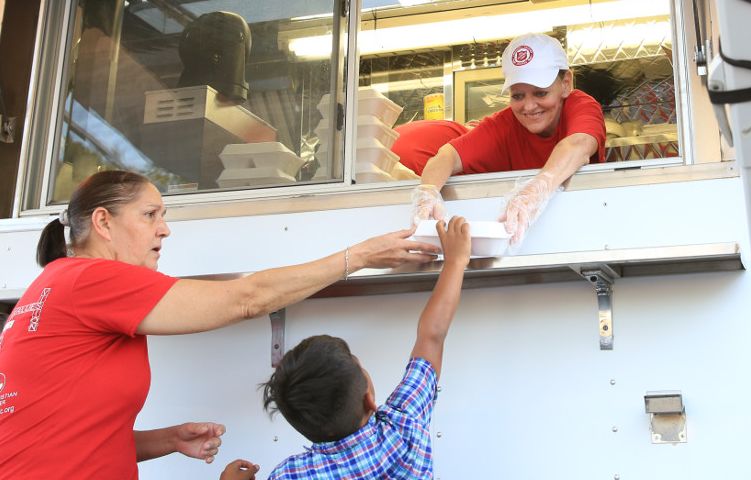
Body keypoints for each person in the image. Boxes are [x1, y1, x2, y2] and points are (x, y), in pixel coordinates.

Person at [0, 170, 440, 480]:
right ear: (103, 222)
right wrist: (357, 257)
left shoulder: (56, 286)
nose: (165, 229)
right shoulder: (91, 279)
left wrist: (167, 439)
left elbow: (64, 434)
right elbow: (245, 299)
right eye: (150, 215)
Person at [262, 216, 471, 479]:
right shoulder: (403, 426)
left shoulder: (290, 474)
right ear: (369, 399)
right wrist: (456, 262)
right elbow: (432, 337)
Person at [411, 32, 607, 244]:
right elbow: (446, 156)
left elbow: (578, 144)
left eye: (540, 93)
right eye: (518, 96)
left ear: (566, 83)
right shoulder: (503, 124)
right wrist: (428, 193)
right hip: (523, 239)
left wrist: (535, 190)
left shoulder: (580, 105)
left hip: (586, 228)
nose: (529, 106)